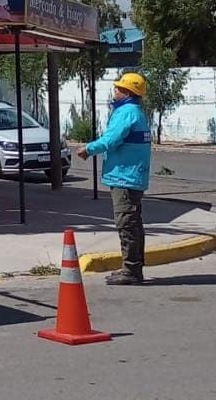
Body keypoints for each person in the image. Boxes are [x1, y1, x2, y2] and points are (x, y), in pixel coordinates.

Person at [77, 72, 152, 285]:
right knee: (133, 223)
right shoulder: (136, 112)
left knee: (126, 223)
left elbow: (111, 139)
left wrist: (88, 149)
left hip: (124, 177)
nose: (115, 91)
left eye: (118, 88)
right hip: (133, 176)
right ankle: (133, 267)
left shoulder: (125, 113)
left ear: (127, 92)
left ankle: (131, 270)